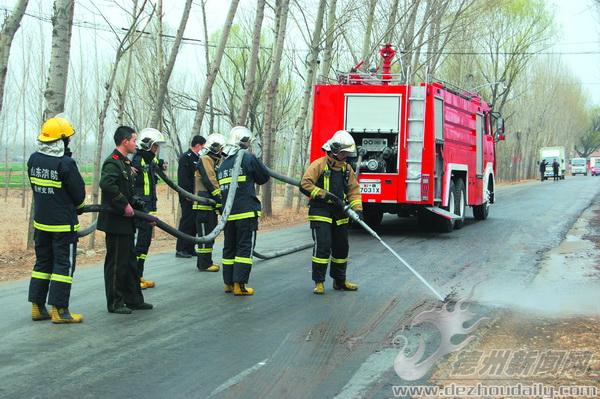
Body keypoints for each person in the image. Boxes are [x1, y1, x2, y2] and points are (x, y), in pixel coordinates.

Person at [27, 116, 86, 323]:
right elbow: (78, 195)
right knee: (63, 266)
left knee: (43, 262)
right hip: (62, 225)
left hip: (41, 223)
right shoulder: (65, 163)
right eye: (67, 139)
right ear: (62, 140)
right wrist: (78, 208)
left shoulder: (33, 159)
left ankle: (37, 306)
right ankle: (60, 311)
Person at [97, 126, 153, 314]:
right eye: (134, 140)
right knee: (116, 265)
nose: (136, 144)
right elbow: (107, 184)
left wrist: (145, 214)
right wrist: (123, 204)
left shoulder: (126, 164)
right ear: (124, 141)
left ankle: (134, 300)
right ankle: (115, 303)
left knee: (130, 263)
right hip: (115, 222)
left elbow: (130, 194)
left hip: (127, 223)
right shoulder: (113, 163)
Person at [300, 130, 363, 295]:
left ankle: (339, 281)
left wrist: (357, 209)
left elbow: (354, 191)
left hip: (340, 213)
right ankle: (319, 282)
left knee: (341, 248)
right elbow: (305, 184)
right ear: (335, 150)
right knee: (323, 246)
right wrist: (324, 195)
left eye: (348, 153)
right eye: (343, 153)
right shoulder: (319, 165)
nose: (346, 156)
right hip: (320, 211)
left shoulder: (347, 169)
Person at [217, 126, 270, 295]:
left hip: (228, 216)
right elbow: (264, 177)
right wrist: (256, 160)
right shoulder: (247, 158)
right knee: (244, 249)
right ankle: (240, 285)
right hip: (246, 213)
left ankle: (228, 283)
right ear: (244, 142)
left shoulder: (222, 164)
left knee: (229, 248)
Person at [132, 128, 167, 289]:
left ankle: (139, 275)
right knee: (139, 245)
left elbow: (156, 163)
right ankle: (134, 278)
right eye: (154, 146)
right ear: (146, 145)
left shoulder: (148, 160)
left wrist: (161, 163)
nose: (156, 149)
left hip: (149, 208)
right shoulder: (137, 161)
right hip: (141, 210)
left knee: (144, 244)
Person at [194, 133, 226, 272]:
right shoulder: (205, 159)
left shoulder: (214, 161)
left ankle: (207, 262)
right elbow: (210, 180)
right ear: (215, 148)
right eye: (221, 149)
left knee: (210, 235)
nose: (222, 152)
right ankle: (204, 264)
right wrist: (220, 198)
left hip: (210, 205)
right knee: (205, 235)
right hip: (203, 204)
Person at [176, 135, 206, 258]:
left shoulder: (198, 158)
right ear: (198, 145)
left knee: (194, 222)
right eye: (202, 146)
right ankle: (181, 249)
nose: (203, 149)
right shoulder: (186, 157)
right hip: (187, 195)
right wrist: (186, 194)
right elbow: (183, 178)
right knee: (186, 222)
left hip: (196, 195)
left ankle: (190, 247)